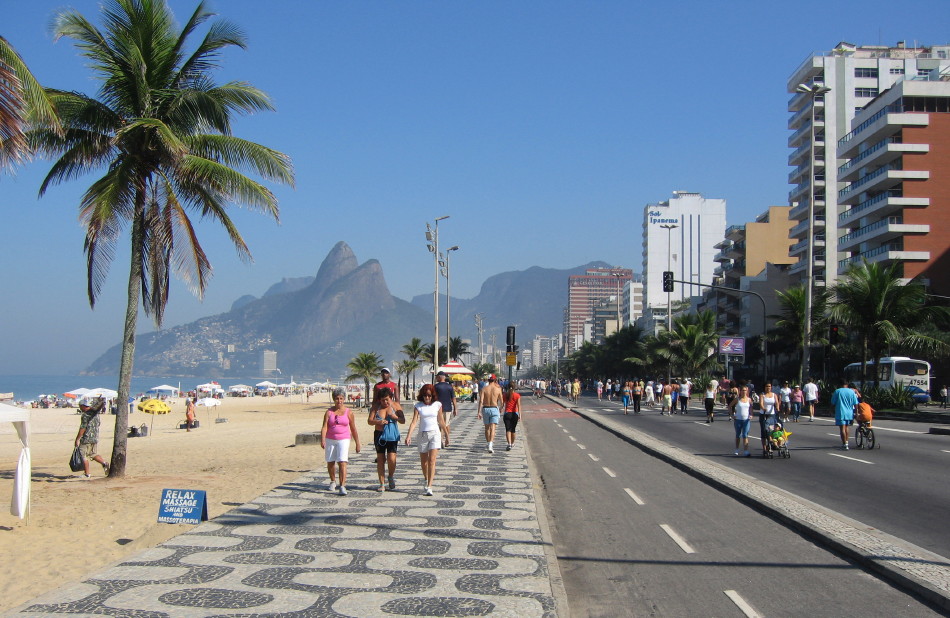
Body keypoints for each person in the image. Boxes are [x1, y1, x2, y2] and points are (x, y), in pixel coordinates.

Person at [405, 384, 450, 495]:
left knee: (432, 460)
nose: (427, 398)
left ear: (432, 395)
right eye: (425, 395)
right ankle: (426, 478)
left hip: (435, 433)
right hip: (422, 435)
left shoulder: (437, 405)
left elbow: (441, 421)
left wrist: (447, 436)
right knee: (424, 461)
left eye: (429, 395)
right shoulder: (418, 406)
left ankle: (429, 486)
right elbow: (414, 422)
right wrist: (409, 435)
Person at [321, 387, 361, 495]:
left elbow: (353, 428)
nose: (339, 401)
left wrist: (357, 443)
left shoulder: (349, 412)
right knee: (330, 462)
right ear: (334, 399)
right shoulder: (329, 412)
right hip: (330, 439)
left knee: (342, 461)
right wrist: (323, 439)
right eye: (337, 399)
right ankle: (333, 481)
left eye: (341, 398)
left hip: (344, 439)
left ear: (344, 399)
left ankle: (342, 485)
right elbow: (324, 427)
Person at [368, 389, 404, 491]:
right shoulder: (376, 407)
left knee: (392, 458)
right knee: (380, 459)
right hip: (379, 434)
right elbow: (369, 421)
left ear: (390, 398)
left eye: (387, 400)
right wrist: (378, 422)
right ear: (379, 400)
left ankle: (391, 476)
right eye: (383, 400)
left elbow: (403, 420)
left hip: (392, 435)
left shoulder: (395, 406)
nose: (385, 402)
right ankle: (382, 484)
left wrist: (395, 417)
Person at [75, 397, 109, 477]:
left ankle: (87, 473)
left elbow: (83, 427)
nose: (79, 408)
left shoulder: (85, 415)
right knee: (93, 454)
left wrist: (78, 439)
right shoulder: (96, 414)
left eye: (80, 406)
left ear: (83, 406)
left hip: (86, 438)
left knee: (82, 455)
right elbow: (98, 424)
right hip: (95, 437)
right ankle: (104, 463)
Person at [477, 373, 504, 453]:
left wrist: (479, 412)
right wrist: (500, 408)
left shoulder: (484, 389)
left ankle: (488, 442)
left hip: (486, 409)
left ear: (488, 380)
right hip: (494, 408)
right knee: (493, 428)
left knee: (487, 428)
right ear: (495, 380)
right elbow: (502, 402)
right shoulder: (498, 389)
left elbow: (481, 401)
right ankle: (490, 445)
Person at [831, 379, 858, 450]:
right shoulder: (851, 392)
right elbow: (856, 403)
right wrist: (856, 413)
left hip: (840, 412)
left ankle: (844, 444)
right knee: (846, 427)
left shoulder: (837, 391)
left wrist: (831, 410)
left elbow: (833, 402)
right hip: (849, 412)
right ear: (847, 384)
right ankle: (847, 442)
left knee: (842, 428)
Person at [729, 385, 753, 457]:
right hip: (738, 419)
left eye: (745, 390)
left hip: (746, 420)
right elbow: (730, 406)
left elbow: (751, 408)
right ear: (740, 391)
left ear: (747, 391)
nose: (744, 392)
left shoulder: (749, 399)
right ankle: (737, 449)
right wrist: (732, 415)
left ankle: (746, 451)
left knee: (745, 435)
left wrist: (751, 414)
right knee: (738, 435)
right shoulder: (737, 399)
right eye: (743, 390)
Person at [758, 383, 779, 457]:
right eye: (767, 386)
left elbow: (776, 402)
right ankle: (764, 449)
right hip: (763, 414)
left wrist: (777, 407)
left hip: (771, 415)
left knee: (771, 430)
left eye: (769, 386)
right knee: (764, 431)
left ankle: (770, 445)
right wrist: (763, 408)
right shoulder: (762, 395)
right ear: (764, 387)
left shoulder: (774, 395)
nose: (768, 388)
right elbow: (760, 403)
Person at [502, 383, 522, 450]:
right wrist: (520, 415)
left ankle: (509, 444)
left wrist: (500, 409)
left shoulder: (505, 395)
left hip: (507, 414)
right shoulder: (517, 395)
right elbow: (519, 406)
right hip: (514, 414)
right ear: (514, 387)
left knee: (508, 429)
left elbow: (502, 404)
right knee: (513, 430)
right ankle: (512, 443)